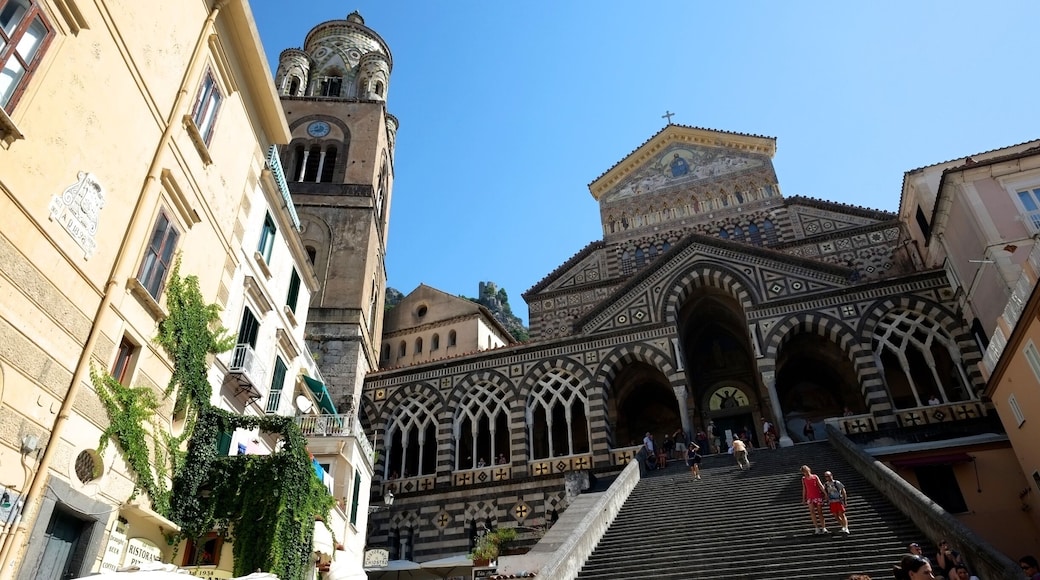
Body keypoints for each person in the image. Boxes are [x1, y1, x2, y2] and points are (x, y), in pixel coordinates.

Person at [800, 465, 827, 534]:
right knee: (812, 512)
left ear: (809, 470)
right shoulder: (803, 479)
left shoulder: (815, 476)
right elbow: (804, 489)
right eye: (804, 472)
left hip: (817, 495)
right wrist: (803, 498)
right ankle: (817, 528)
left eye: (806, 471)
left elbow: (820, 485)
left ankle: (823, 527)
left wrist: (825, 494)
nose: (805, 473)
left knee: (820, 512)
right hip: (809, 497)